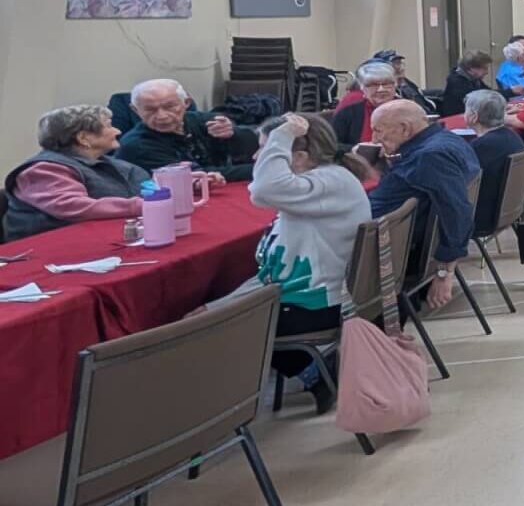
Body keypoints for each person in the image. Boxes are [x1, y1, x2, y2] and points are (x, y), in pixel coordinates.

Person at [243, 112, 372, 413]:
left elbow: (262, 190)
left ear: (299, 156)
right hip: (311, 292)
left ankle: (313, 373)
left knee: (221, 326)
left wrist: (283, 134)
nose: (256, 156)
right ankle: (313, 370)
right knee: (213, 309)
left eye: (265, 149)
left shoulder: (328, 182)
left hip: (317, 304)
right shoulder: (327, 177)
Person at [366, 101, 480, 311]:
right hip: (392, 238)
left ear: (404, 129)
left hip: (383, 250)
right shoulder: (447, 141)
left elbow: (456, 210)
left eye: (378, 131)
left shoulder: (430, 157)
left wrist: (445, 272)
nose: (373, 139)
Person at [4, 105, 153, 240]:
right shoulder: (43, 170)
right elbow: (77, 207)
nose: (118, 131)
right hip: (50, 253)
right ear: (83, 138)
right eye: (109, 126)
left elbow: (151, 190)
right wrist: (143, 205)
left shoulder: (121, 166)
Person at [117, 79, 255, 181]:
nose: (162, 116)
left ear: (186, 103)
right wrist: (259, 170)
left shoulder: (204, 120)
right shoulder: (135, 145)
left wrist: (233, 133)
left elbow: (254, 144)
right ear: (135, 110)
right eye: (150, 109)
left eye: (169, 106)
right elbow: (195, 175)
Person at [464, 91, 524, 237]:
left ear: (474, 116)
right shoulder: (512, 137)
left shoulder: (479, 147)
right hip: (509, 210)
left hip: (482, 217)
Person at [333, 61, 405, 145]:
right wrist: (354, 150)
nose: (381, 89)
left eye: (386, 84)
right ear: (362, 88)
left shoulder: (408, 110)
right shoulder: (348, 112)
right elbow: (332, 146)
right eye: (373, 85)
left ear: (395, 85)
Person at [440, 50, 498, 119]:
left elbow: (490, 92)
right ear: (471, 68)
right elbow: (480, 99)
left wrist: (510, 92)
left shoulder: (474, 79)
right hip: (458, 119)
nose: (487, 72)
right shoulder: (457, 83)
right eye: (484, 68)